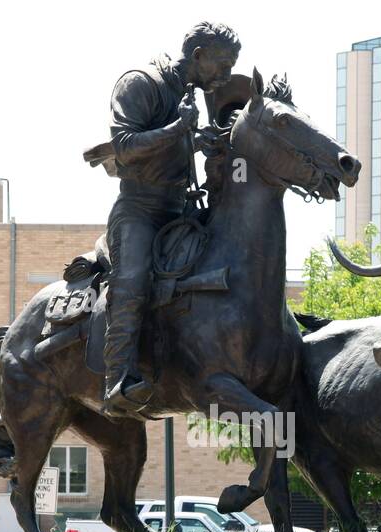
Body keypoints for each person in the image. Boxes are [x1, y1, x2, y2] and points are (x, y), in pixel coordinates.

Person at [100, 22, 240, 417]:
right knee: (131, 281)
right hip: (140, 211)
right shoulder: (140, 83)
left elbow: (171, 147)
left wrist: (197, 141)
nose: (227, 75)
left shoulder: (188, 93)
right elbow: (124, 149)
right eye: (223, 64)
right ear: (198, 56)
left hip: (180, 208)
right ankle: (118, 379)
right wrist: (180, 128)